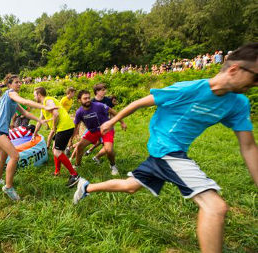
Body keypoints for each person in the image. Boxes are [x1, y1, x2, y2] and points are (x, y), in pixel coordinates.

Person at [73, 43, 258, 253]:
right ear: (234, 70)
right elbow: (140, 103)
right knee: (215, 207)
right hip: (167, 150)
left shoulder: (238, 104)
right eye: (255, 77)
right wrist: (112, 121)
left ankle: (86, 187)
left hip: (168, 153)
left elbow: (249, 146)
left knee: (130, 187)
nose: (256, 84)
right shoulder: (189, 89)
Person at [0, 74, 57, 201]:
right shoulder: (11, 93)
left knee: (3, 155)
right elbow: (25, 101)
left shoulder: (12, 99)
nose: (19, 84)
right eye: (16, 82)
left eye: (20, 82)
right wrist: (45, 107)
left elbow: (25, 112)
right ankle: (8, 187)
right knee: (15, 156)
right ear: (9, 85)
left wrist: (39, 120)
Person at [33, 87, 80, 187]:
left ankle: (74, 174)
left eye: (34, 95)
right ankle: (57, 172)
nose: (34, 97)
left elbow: (56, 113)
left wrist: (53, 127)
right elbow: (40, 121)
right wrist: (35, 133)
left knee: (57, 152)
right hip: (63, 128)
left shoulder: (48, 100)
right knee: (55, 148)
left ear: (39, 95)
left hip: (64, 128)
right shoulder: (43, 106)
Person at [72, 90, 126, 175]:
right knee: (79, 147)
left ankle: (113, 165)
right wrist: (75, 133)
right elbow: (76, 124)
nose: (88, 100)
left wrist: (122, 122)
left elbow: (112, 111)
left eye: (89, 98)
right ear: (79, 100)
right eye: (85, 98)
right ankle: (77, 165)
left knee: (109, 149)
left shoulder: (99, 105)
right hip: (93, 131)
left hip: (106, 129)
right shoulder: (79, 112)